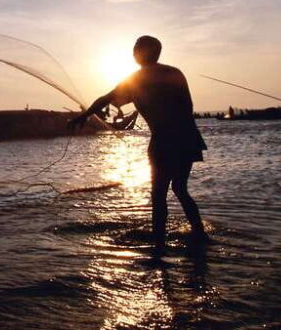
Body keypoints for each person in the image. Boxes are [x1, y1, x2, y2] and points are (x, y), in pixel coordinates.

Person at [69, 35, 207, 254]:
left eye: (135, 48)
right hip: (188, 137)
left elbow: (106, 99)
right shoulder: (174, 72)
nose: (133, 52)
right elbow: (188, 106)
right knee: (180, 189)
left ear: (143, 52)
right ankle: (200, 234)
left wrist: (83, 116)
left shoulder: (136, 79)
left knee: (158, 195)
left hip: (164, 140)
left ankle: (159, 249)